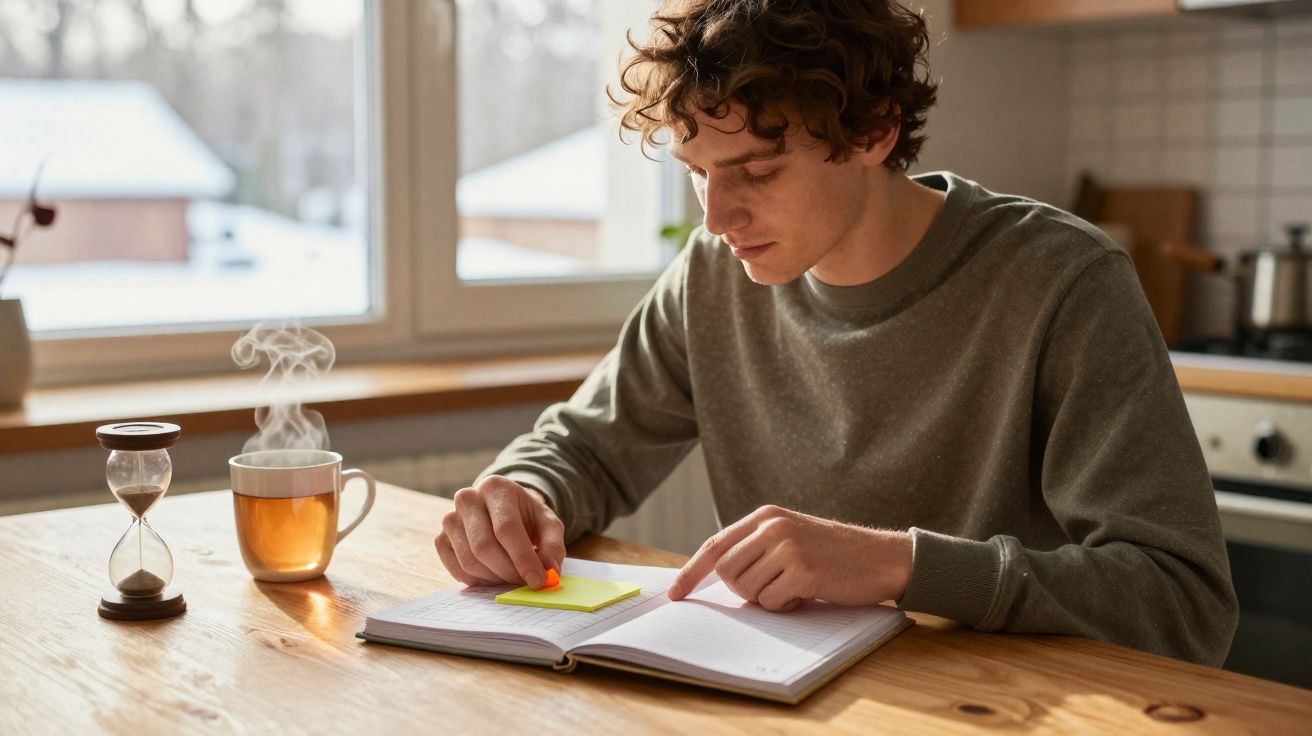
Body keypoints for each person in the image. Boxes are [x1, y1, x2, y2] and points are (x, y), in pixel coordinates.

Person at [433, 0, 1238, 666]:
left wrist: (903, 565)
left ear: (874, 132)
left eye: (754, 172)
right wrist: (520, 499)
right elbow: (583, 449)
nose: (715, 220)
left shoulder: (1062, 280)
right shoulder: (714, 276)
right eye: (696, 173)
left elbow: (1183, 602)